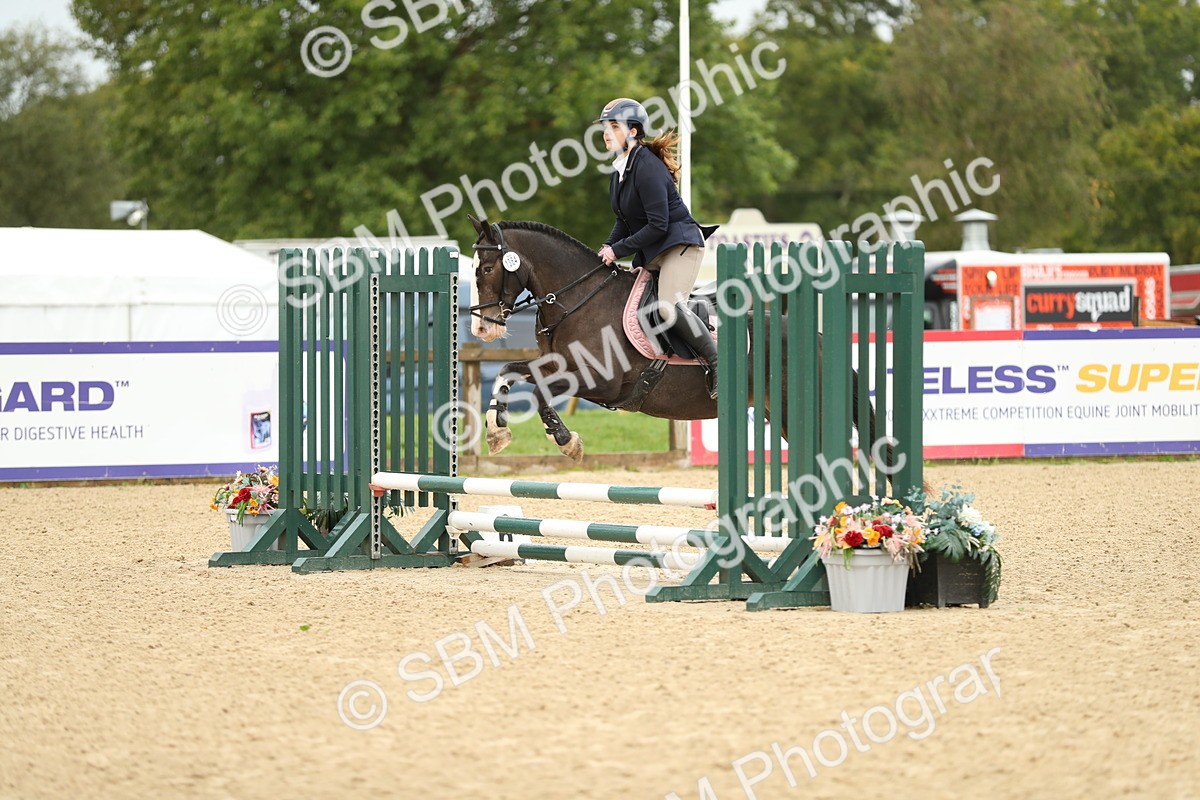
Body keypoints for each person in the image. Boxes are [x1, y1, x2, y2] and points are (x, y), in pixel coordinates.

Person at [593, 98, 719, 398]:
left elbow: (658, 225)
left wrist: (619, 250)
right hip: (655, 250)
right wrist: (608, 247)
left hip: (680, 246)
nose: (606, 134)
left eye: (613, 127)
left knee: (666, 307)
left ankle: (717, 362)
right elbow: (623, 221)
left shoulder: (647, 167)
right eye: (604, 128)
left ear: (633, 132)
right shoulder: (620, 170)